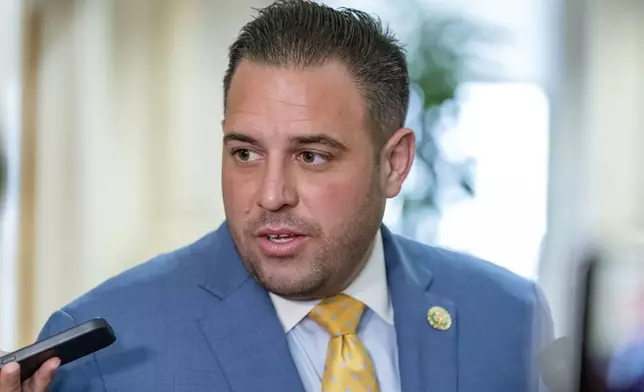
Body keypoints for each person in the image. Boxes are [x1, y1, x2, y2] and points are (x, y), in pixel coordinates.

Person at [0, 1, 554, 391]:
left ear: (394, 163)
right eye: (245, 153)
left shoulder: (509, 316)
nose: (270, 195)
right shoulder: (106, 355)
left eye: (312, 156)